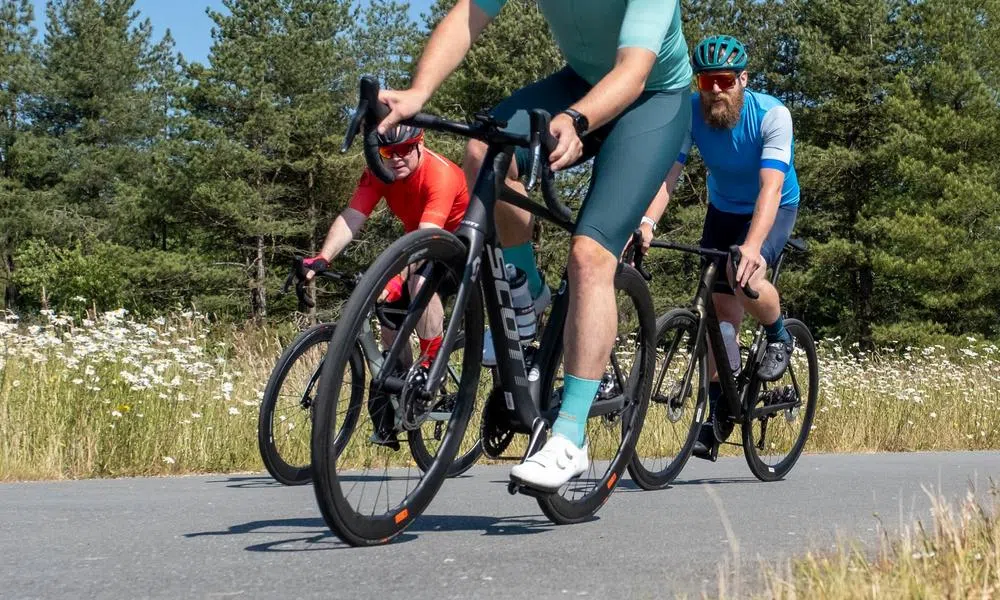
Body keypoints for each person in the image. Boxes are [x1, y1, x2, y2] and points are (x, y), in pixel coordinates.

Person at [373, 0, 693, 489]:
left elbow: (632, 72)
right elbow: (465, 18)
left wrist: (578, 120)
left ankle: (570, 435)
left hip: (651, 99)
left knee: (589, 255)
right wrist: (419, 90)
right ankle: (523, 295)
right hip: (579, 83)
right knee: (483, 150)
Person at [637, 35, 800, 460]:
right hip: (723, 207)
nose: (714, 91)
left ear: (742, 80)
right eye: (706, 82)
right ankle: (719, 413)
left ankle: (779, 335)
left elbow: (770, 187)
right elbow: (668, 175)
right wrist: (647, 221)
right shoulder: (691, 114)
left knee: (743, 274)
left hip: (773, 207)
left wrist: (752, 246)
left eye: (724, 81)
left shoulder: (772, 116)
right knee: (719, 316)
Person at [303, 124, 470, 448]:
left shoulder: (440, 175)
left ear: (420, 144)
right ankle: (402, 392)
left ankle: (431, 364)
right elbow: (353, 216)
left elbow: (427, 241)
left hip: (455, 246)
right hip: (417, 243)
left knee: (420, 280)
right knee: (390, 322)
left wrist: (395, 277)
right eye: (386, 152)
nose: (395, 158)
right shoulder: (380, 172)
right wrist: (323, 257)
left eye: (404, 149)